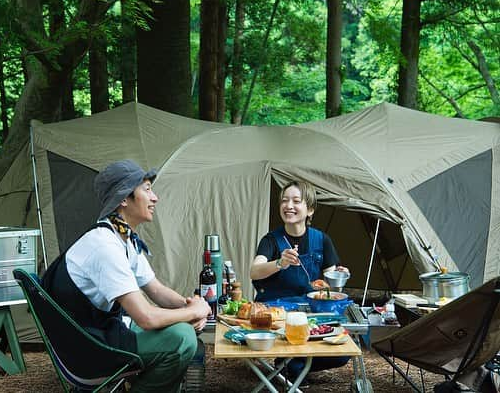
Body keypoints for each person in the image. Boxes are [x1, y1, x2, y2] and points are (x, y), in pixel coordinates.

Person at [43, 159, 210, 393]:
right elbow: (146, 318)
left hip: (100, 333)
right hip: (87, 350)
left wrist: (189, 304)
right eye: (147, 189)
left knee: (182, 330)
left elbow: (156, 290)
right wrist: (193, 312)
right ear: (124, 198)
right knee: (182, 339)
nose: (155, 198)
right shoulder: (104, 246)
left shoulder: (123, 238)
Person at [249, 180, 350, 384]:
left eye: (296, 201)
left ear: (310, 209)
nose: (289, 206)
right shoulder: (271, 240)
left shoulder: (322, 240)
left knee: (343, 354)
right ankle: (292, 366)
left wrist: (340, 275)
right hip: (277, 311)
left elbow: (330, 284)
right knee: (294, 348)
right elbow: (254, 271)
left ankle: (293, 365)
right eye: (285, 201)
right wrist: (279, 262)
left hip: (311, 310)